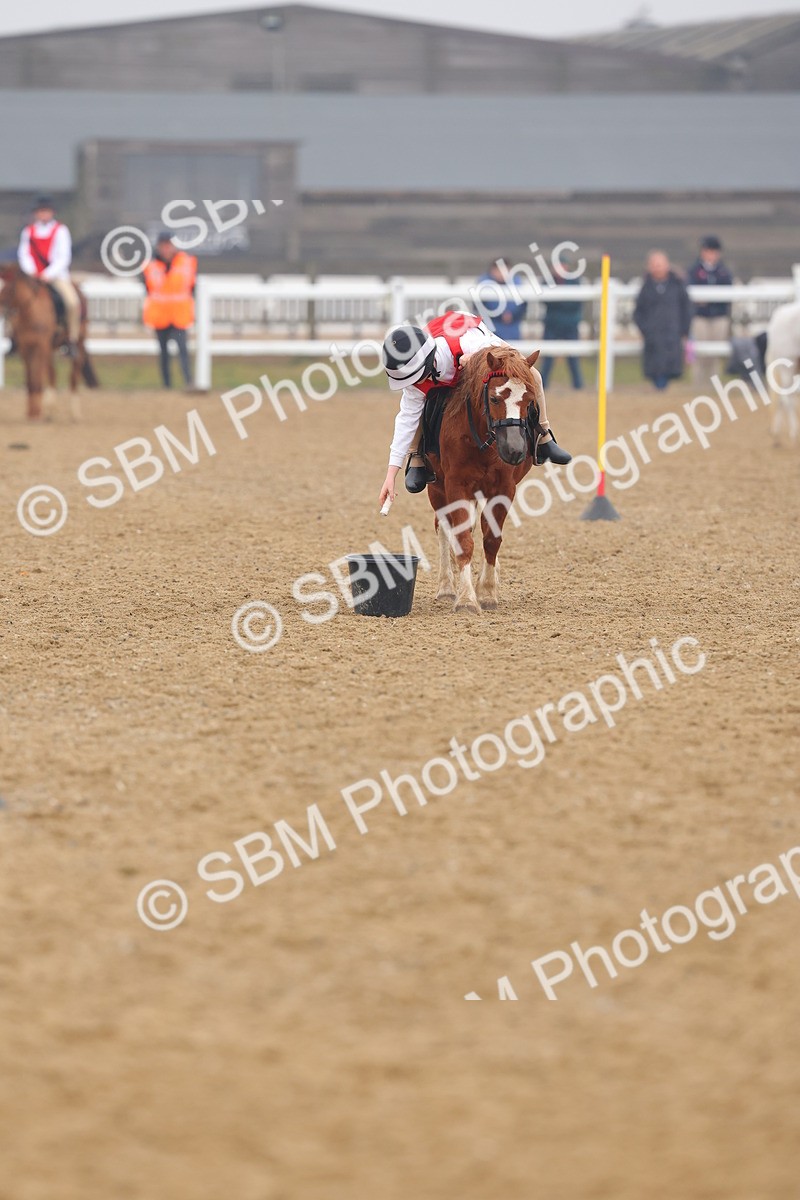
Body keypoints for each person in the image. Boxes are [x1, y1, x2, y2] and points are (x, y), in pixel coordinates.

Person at [378, 311, 572, 506]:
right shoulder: (415, 381)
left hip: (473, 336)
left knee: (534, 375)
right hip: (440, 337)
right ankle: (416, 456)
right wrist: (390, 475)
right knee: (415, 408)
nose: (415, 383)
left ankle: (544, 436)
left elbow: (497, 356)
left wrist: (476, 357)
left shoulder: (470, 343)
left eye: (417, 377)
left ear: (427, 363)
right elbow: (406, 421)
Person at [17, 196, 81, 356]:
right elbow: (24, 254)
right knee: (13, 300)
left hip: (56, 276)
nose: (43, 214)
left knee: (72, 303)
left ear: (52, 213)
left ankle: (71, 339)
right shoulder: (28, 231)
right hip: (32, 275)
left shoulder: (61, 230)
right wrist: (31, 271)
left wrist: (48, 274)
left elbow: (63, 257)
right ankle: (14, 336)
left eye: (46, 211)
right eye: (41, 211)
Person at [142, 233, 198, 388]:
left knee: (183, 350)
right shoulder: (151, 265)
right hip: (160, 316)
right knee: (163, 353)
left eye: (168, 245)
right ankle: (167, 385)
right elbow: (148, 289)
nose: (166, 249)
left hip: (179, 316)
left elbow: (192, 287)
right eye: (163, 246)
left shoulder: (186, 263)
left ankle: (188, 381)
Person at [633, 252, 692, 391]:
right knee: (655, 369)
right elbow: (638, 312)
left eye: (659, 264)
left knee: (671, 368)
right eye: (654, 265)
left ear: (667, 265)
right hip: (652, 337)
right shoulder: (646, 287)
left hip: (673, 335)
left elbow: (687, 309)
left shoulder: (677, 285)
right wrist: (645, 329)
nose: (657, 268)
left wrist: (684, 330)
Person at [687, 235, 733, 384]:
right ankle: (698, 385)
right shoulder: (694, 271)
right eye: (707, 250)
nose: (710, 254)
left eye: (713, 251)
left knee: (715, 354)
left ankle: (715, 385)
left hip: (719, 316)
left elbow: (728, 293)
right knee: (700, 353)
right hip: (700, 317)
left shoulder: (724, 272)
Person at [538, 268, 584, 390]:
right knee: (547, 358)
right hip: (552, 324)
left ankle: (578, 385)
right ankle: (543, 385)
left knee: (573, 358)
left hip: (570, 324)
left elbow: (576, 302)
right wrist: (564, 301)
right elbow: (545, 299)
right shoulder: (547, 280)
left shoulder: (574, 281)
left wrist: (558, 301)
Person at [473, 260, 527, 340]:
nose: (502, 274)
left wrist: (513, 314)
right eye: (499, 270)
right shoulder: (484, 285)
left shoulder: (517, 284)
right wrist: (499, 315)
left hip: (513, 326)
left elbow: (522, 305)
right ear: (492, 271)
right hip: (491, 326)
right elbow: (478, 307)